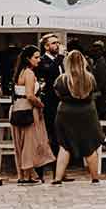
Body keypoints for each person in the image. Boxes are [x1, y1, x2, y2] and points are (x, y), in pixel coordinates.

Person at [51, 48, 103, 184]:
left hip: (66, 113)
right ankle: (95, 177)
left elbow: (57, 93)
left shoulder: (62, 79)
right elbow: (96, 92)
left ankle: (57, 178)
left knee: (65, 145)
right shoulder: (90, 78)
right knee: (90, 146)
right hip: (87, 113)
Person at [9, 46, 55, 185]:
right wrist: (41, 105)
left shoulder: (19, 72)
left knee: (20, 144)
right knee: (30, 143)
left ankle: (23, 175)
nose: (39, 60)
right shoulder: (29, 73)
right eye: (36, 57)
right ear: (28, 58)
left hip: (17, 108)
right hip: (29, 110)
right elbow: (30, 95)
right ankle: (28, 175)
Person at [34, 32, 64, 172]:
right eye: (53, 43)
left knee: (60, 135)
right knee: (49, 134)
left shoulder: (60, 60)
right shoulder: (42, 60)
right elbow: (50, 72)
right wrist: (61, 58)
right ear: (46, 46)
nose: (57, 45)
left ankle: (59, 169)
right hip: (49, 102)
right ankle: (48, 167)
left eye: (57, 43)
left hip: (61, 101)